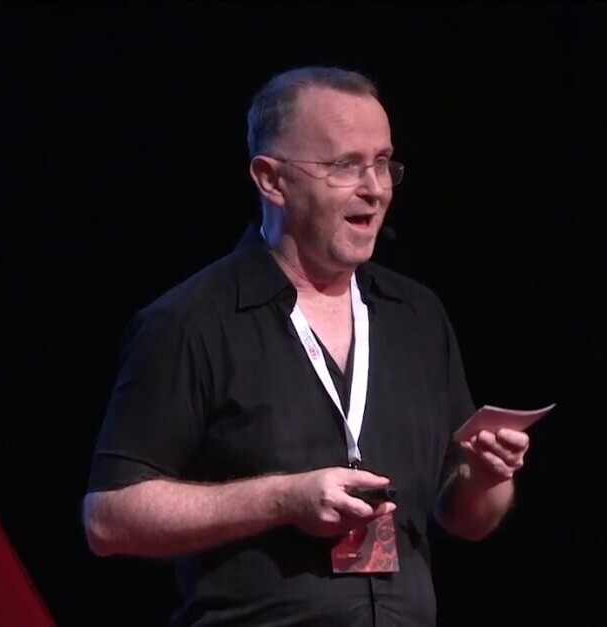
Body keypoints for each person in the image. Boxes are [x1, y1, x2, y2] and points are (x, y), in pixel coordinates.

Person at [82, 66, 532, 627]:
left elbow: (465, 519)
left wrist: (487, 478)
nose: (375, 188)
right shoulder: (188, 323)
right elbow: (109, 519)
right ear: (271, 180)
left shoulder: (417, 316)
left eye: (383, 162)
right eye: (345, 165)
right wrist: (285, 500)